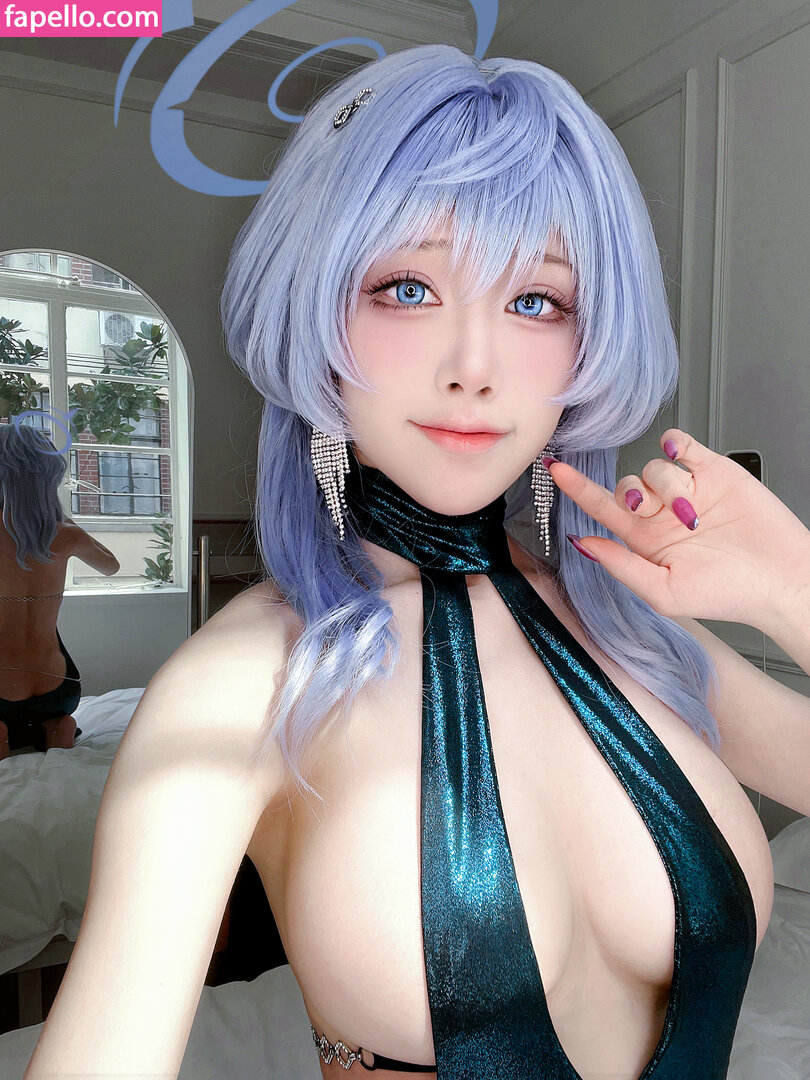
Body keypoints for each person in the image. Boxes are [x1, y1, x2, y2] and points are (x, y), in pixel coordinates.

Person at [23, 44, 810, 1080]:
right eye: (406, 287)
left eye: (536, 301)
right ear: (312, 314)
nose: (474, 369)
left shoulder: (626, 621)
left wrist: (793, 590)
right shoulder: (244, 682)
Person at [0, 423, 119, 758]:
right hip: (59, 686)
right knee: (57, 717)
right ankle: (57, 725)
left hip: (3, 684)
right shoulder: (67, 535)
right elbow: (111, 566)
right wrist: (57, 519)